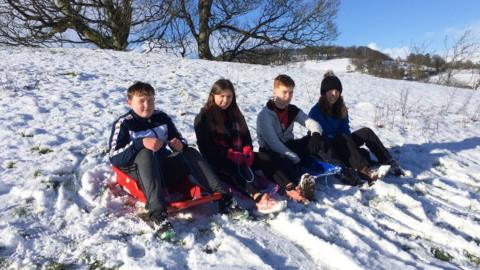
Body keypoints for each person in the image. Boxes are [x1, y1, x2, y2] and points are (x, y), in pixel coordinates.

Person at [108, 81, 230, 236]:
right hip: (138, 172)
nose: (147, 105)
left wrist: (179, 145)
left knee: (190, 152)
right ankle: (157, 214)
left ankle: (223, 197)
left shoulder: (161, 118)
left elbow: (179, 140)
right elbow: (113, 157)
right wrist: (140, 143)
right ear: (130, 102)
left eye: (151, 100)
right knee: (145, 153)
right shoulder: (125, 124)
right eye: (142, 101)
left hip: (163, 168)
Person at [194, 79, 294, 214]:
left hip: (240, 154)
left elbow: (245, 135)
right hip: (218, 158)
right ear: (213, 96)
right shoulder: (204, 117)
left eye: (229, 96)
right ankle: (259, 198)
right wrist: (230, 155)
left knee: (264, 158)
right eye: (221, 96)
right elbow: (206, 148)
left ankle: (289, 187)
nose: (225, 100)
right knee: (233, 169)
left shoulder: (235, 113)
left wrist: (248, 150)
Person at [308, 71, 404, 183]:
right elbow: (314, 137)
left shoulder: (341, 109)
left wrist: (352, 148)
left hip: (343, 142)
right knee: (342, 139)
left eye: (337, 91)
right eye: (330, 90)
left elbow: (345, 131)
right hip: (329, 148)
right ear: (324, 92)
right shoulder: (316, 111)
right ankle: (364, 170)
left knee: (366, 132)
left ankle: (388, 161)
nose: (334, 94)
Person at [256, 74, 326, 199]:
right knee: (279, 162)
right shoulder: (265, 115)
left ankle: (324, 165)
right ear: (275, 91)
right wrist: (295, 157)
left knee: (315, 141)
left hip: (289, 146)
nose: (288, 97)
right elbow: (274, 144)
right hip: (271, 151)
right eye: (284, 92)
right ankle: (298, 183)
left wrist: (315, 135)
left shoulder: (292, 110)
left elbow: (312, 123)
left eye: (291, 93)